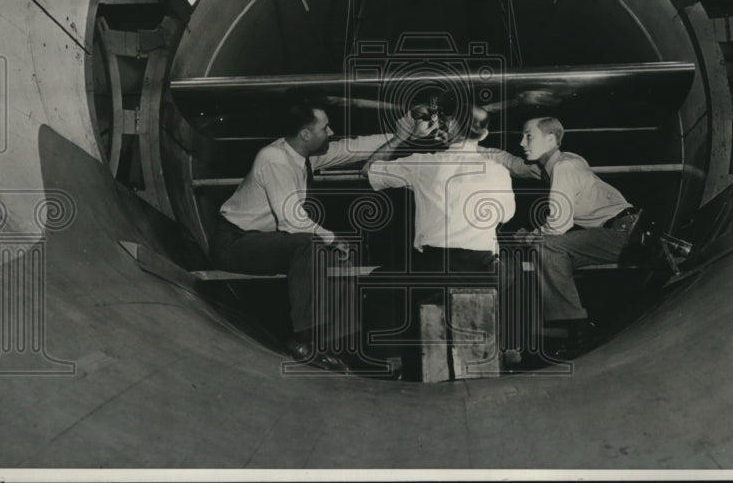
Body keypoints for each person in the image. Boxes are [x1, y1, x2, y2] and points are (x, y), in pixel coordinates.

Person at [211, 97, 427, 370]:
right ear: (305, 134)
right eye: (325, 128)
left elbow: (355, 148)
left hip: (263, 241)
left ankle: (342, 346)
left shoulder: (303, 154)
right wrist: (333, 238)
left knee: (335, 257)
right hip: (234, 243)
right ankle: (304, 341)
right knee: (311, 246)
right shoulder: (274, 159)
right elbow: (292, 221)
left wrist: (407, 130)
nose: (331, 132)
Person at [357, 105, 516, 374]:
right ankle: (510, 345)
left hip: (433, 270)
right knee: (512, 270)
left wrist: (403, 136)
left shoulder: (423, 162)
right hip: (481, 271)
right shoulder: (498, 171)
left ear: (443, 130)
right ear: (484, 134)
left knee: (378, 281)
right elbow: (505, 217)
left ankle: (391, 360)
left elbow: (368, 170)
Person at [507, 116, 640, 359]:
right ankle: (565, 329)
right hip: (617, 231)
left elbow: (559, 224)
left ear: (550, 139)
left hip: (625, 234)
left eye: (529, 136)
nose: (521, 142)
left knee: (546, 248)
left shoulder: (564, 167)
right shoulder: (559, 163)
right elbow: (514, 164)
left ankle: (576, 330)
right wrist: (475, 149)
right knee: (544, 252)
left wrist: (530, 237)